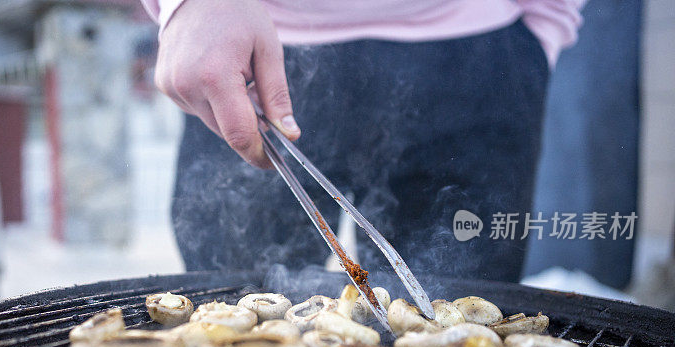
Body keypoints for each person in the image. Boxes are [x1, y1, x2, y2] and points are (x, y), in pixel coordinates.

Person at [141, 0, 585, 282]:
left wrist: (544, 31)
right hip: (252, 49)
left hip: (479, 60)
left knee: (470, 343)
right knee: (233, 325)